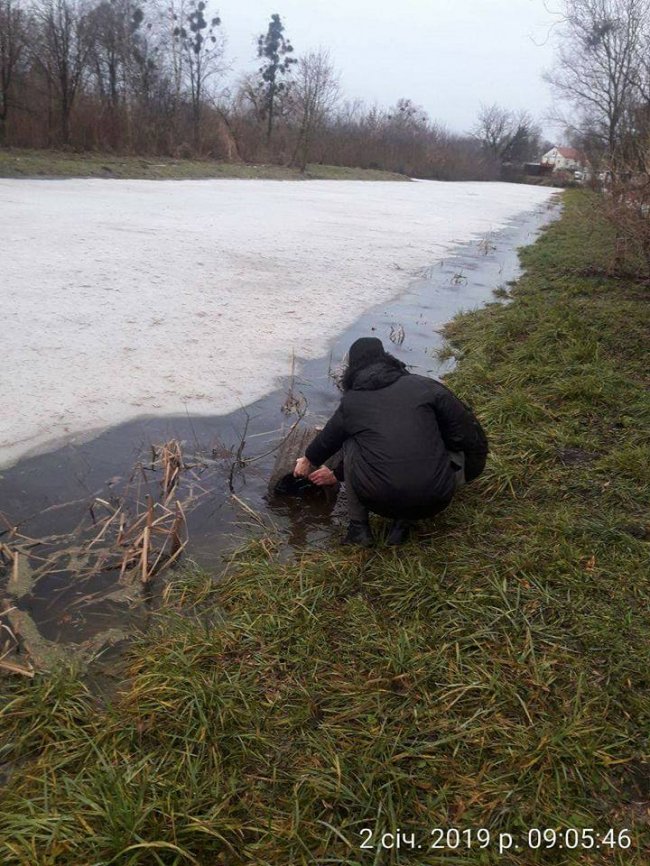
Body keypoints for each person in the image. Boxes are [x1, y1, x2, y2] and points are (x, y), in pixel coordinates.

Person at [293, 337, 488, 546]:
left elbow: (328, 439)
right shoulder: (424, 386)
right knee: (428, 433)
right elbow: (468, 433)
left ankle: (358, 529)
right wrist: (469, 467)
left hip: (378, 499)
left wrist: (308, 461)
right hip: (436, 496)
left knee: (351, 440)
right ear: (387, 359)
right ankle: (402, 523)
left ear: (352, 370)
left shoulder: (353, 402)